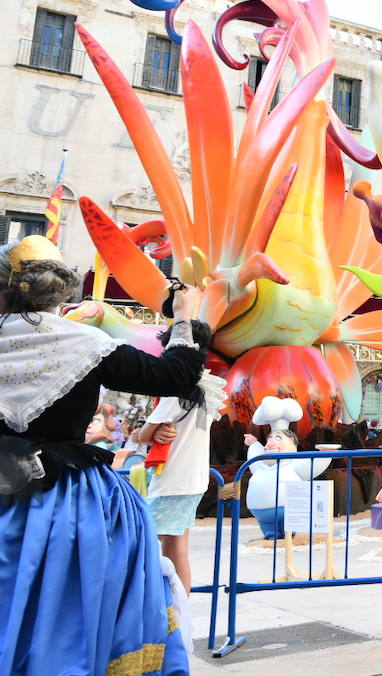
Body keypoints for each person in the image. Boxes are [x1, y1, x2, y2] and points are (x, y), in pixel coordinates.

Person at [0, 236, 204, 674]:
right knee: (75, 604)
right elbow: (175, 374)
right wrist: (183, 317)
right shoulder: (85, 342)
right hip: (72, 505)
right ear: (60, 291)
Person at [138, 319, 225, 592]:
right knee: (176, 546)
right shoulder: (205, 389)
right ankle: (179, 613)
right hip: (194, 477)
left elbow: (142, 435)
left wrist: (152, 432)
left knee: (157, 546)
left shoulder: (175, 391)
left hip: (173, 479)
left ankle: (171, 611)